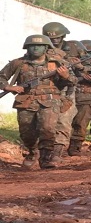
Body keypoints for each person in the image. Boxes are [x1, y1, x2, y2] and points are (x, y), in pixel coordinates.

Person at [0, 35, 77, 169]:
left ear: (46, 47)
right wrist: (8, 87)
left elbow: (73, 81)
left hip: (50, 101)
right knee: (26, 132)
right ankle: (32, 151)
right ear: (27, 48)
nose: (35, 48)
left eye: (39, 46)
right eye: (32, 46)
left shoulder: (57, 62)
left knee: (48, 129)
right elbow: (1, 77)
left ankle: (46, 158)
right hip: (26, 101)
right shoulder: (18, 63)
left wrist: (66, 76)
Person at [42, 21, 78, 162]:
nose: (55, 40)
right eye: (51, 38)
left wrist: (76, 68)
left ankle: (57, 152)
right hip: (45, 90)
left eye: (58, 37)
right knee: (44, 124)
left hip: (66, 88)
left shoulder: (73, 48)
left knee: (64, 120)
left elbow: (85, 68)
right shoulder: (40, 48)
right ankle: (41, 151)